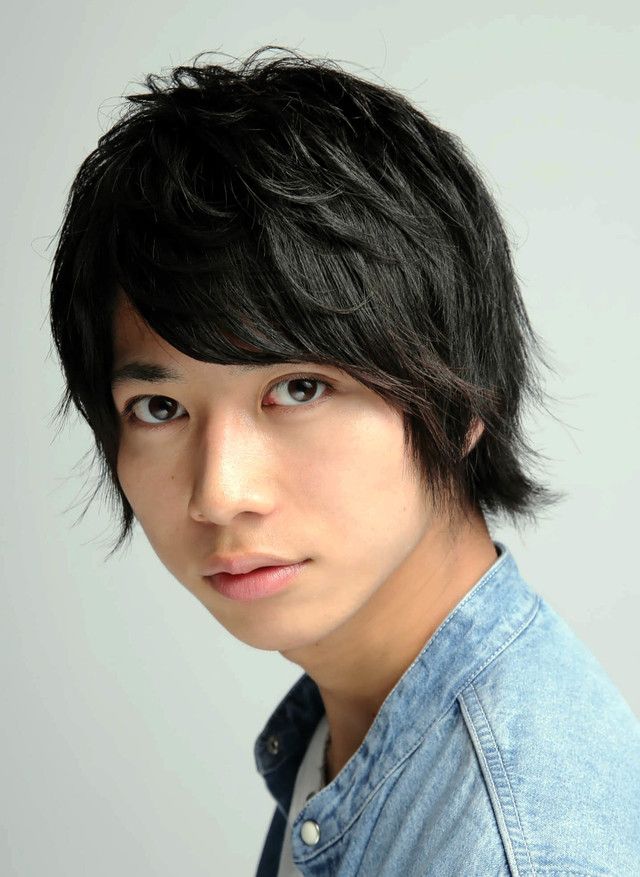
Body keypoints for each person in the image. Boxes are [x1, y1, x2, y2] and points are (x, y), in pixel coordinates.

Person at [48, 46, 640, 876]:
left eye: (297, 388)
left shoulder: (515, 848)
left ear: (463, 399)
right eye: (160, 407)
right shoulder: (353, 727)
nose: (219, 492)